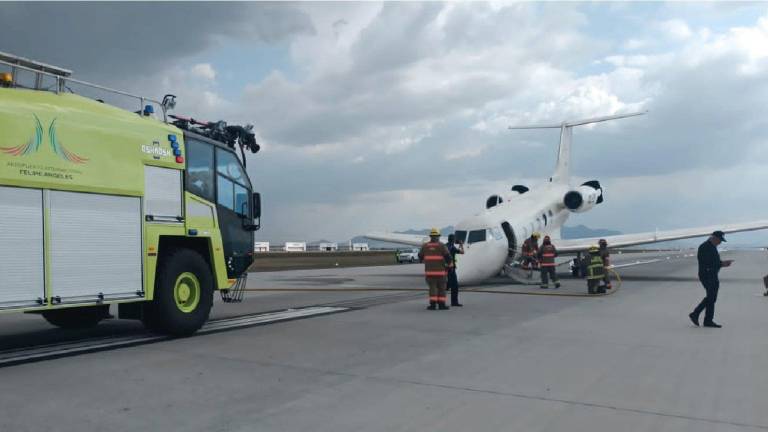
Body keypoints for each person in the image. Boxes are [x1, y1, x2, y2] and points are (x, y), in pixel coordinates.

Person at [689, 231, 733, 328]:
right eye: (719, 240)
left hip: (711, 275)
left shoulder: (711, 247)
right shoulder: (705, 247)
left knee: (711, 297)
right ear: (714, 238)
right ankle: (699, 315)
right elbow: (708, 263)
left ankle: (704, 318)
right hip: (707, 275)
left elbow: (713, 262)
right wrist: (722, 264)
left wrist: (722, 263)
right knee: (711, 297)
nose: (720, 242)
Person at [418, 228, 453, 310]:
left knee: (432, 289)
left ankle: (433, 305)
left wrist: (422, 260)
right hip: (441, 273)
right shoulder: (441, 246)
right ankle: (441, 305)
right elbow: (448, 257)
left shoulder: (425, 246)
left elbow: (420, 256)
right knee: (442, 289)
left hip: (430, 273)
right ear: (438, 236)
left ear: (431, 236)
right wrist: (450, 266)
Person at [445, 234, 465, 306]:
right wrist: (461, 244)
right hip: (451, 269)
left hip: (445, 269)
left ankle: (440, 301)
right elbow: (462, 252)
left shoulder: (444, 246)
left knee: (446, 285)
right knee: (454, 286)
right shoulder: (452, 247)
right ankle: (454, 302)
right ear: (453, 240)